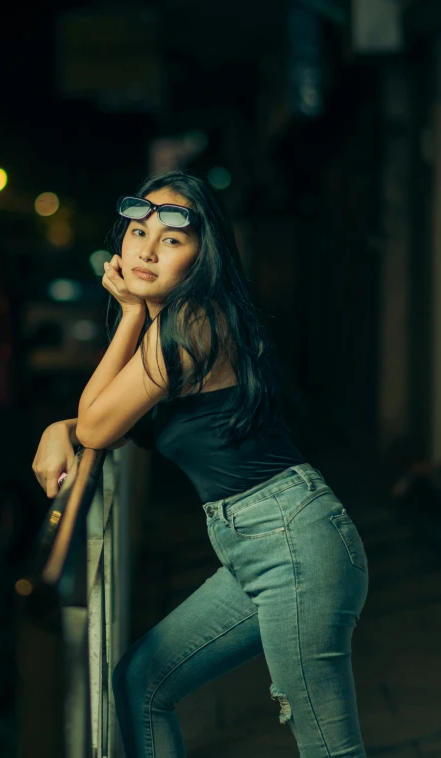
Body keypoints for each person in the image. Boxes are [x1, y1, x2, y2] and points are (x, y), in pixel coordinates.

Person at [32, 171, 369, 756]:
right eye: (139, 231)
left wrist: (131, 315)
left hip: (291, 542)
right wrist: (58, 425)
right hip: (260, 546)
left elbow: (96, 425)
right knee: (142, 680)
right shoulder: (182, 323)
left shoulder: (191, 325)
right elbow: (111, 424)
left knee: (329, 750)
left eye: (171, 239)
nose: (147, 248)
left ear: (201, 255)